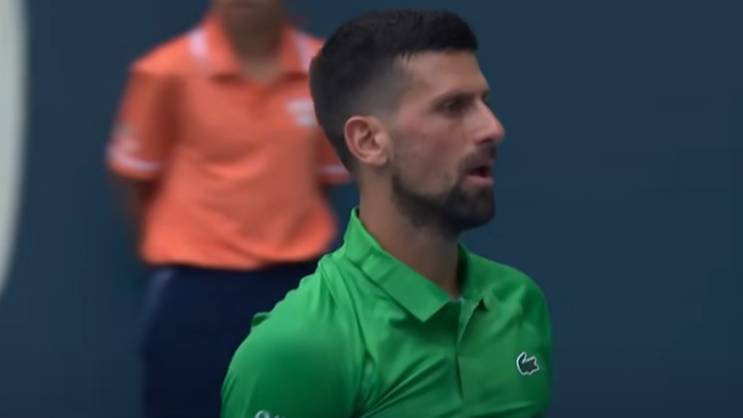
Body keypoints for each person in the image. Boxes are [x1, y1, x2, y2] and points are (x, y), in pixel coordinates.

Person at [221, 8, 552, 418]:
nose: (492, 128)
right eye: (452, 106)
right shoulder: (295, 349)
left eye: (484, 102)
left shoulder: (519, 301)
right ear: (368, 141)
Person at [107, 0, 348, 417]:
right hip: (197, 294)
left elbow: (324, 179)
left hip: (297, 290)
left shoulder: (327, 71)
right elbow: (134, 178)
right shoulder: (165, 72)